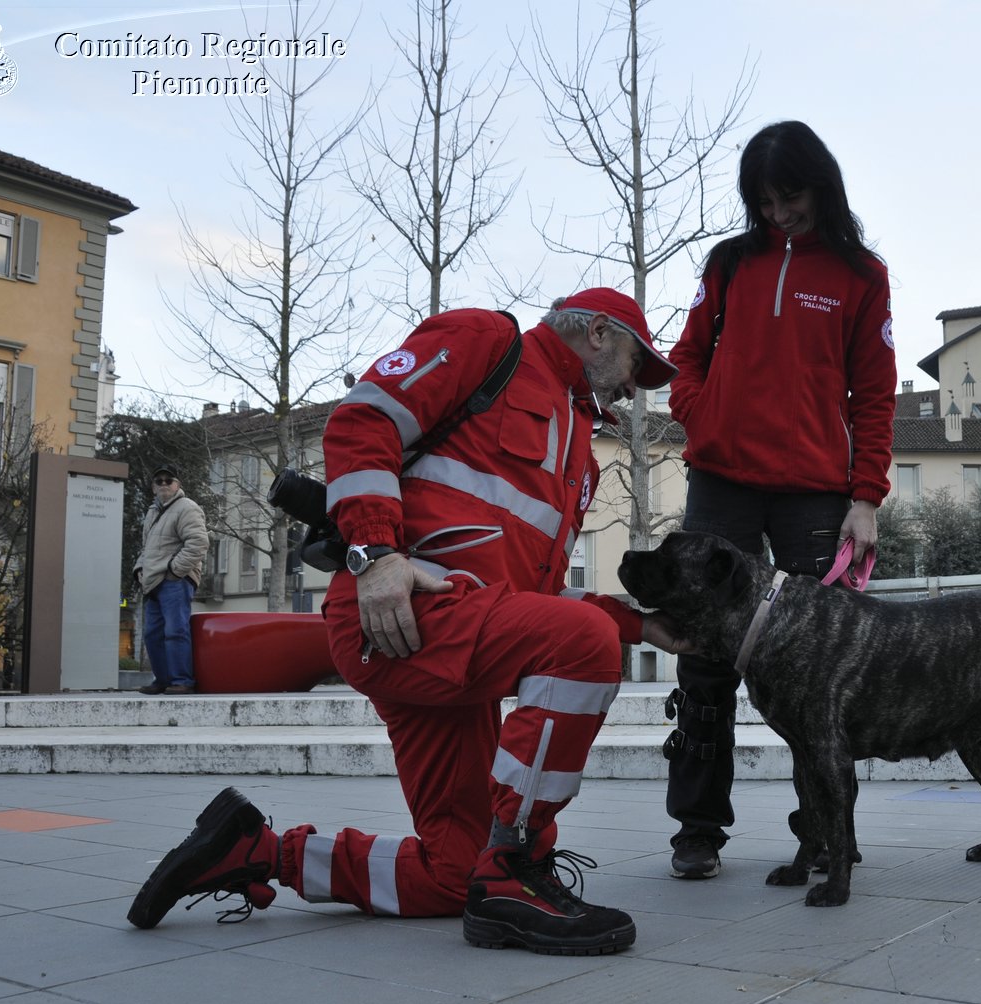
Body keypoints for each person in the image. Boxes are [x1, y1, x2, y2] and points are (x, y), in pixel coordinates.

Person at [128, 289, 694, 955]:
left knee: (456, 872)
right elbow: (361, 421)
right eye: (636, 363)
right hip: (403, 615)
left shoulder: (581, 460)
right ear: (598, 332)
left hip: (460, 639)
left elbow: (527, 600)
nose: (635, 388)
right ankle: (516, 867)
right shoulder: (490, 342)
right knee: (585, 648)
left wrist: (639, 625)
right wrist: (373, 554)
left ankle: (261, 850)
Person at [662, 119, 896, 879]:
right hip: (722, 480)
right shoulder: (729, 263)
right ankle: (697, 826)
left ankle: (821, 831)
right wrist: (704, 414)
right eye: (763, 201)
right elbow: (688, 356)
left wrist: (866, 497)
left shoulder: (862, 275)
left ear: (820, 187)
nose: (777, 214)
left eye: (789, 197)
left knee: (817, 663)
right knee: (703, 655)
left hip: (813, 491)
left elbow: (875, 395)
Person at [133, 464, 208, 695]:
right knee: (152, 634)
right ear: (154, 487)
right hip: (153, 580)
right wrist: (139, 569)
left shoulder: (187, 507)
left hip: (174, 580)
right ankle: (164, 680)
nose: (164, 483)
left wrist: (175, 571)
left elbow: (198, 543)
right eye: (159, 481)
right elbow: (148, 547)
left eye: (169, 480)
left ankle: (182, 680)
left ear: (178, 484)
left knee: (175, 631)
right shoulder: (153, 511)